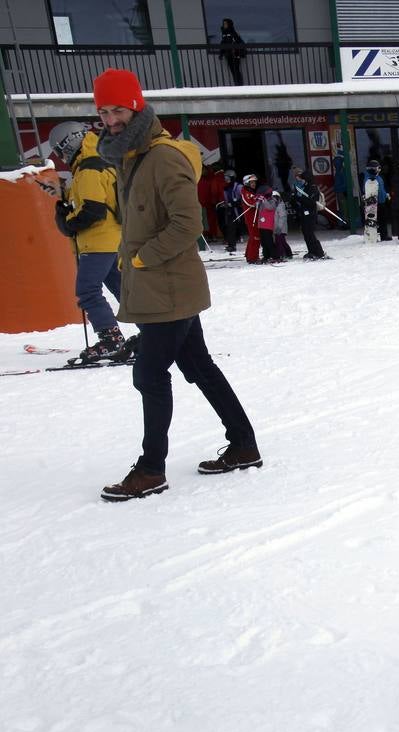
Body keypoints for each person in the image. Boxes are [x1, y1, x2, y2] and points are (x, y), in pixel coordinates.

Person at [92, 68, 261, 502]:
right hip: (157, 287)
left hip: (167, 288)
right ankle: (243, 444)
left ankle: (151, 469)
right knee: (198, 366)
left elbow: (189, 224)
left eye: (118, 110)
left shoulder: (161, 157)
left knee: (149, 373)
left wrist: (142, 257)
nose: (110, 119)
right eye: (103, 111)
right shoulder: (130, 159)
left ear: (135, 107)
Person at [48, 119, 129, 363]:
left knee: (87, 290)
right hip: (112, 239)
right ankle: (153, 332)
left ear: (71, 142)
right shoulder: (100, 163)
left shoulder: (88, 169)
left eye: (61, 150)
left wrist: (69, 223)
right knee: (123, 289)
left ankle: (111, 340)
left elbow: (93, 210)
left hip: (97, 242)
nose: (62, 156)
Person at [289, 167, 329, 260]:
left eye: (303, 177)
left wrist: (298, 198)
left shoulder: (313, 187)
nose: (301, 179)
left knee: (310, 233)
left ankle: (319, 252)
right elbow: (300, 198)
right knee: (305, 233)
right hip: (303, 212)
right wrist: (294, 198)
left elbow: (311, 202)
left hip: (310, 213)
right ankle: (311, 251)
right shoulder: (305, 186)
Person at [239, 173, 262, 263]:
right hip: (251, 217)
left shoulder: (250, 191)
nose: (254, 184)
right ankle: (253, 258)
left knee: (253, 236)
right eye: (251, 182)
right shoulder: (245, 191)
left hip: (255, 216)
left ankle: (249, 254)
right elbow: (250, 202)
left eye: (254, 182)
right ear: (246, 183)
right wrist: (257, 200)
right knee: (256, 236)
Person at [217, 168, 240, 253]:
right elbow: (227, 199)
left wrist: (233, 203)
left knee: (240, 225)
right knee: (230, 227)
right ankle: (231, 245)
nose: (226, 180)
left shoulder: (238, 187)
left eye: (228, 178)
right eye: (225, 178)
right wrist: (225, 204)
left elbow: (243, 199)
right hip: (231, 211)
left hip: (239, 210)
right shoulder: (226, 188)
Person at [219, 18, 246, 87]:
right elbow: (223, 44)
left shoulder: (233, 33)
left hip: (235, 55)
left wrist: (241, 53)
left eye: (225, 24)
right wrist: (221, 54)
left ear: (229, 24)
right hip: (228, 55)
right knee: (233, 71)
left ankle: (239, 85)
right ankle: (237, 85)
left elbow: (240, 42)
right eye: (224, 24)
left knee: (236, 70)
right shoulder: (224, 34)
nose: (224, 25)